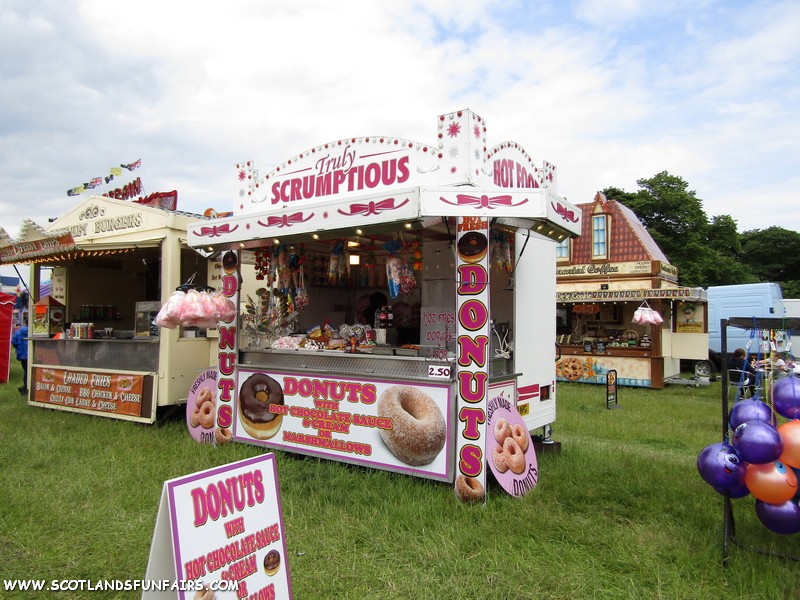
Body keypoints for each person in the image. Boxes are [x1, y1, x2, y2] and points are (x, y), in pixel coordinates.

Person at [11, 321, 29, 394]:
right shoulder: (34, 332)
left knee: (26, 371)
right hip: (31, 355)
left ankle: (24, 388)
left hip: (22, 355)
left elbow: (13, 342)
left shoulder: (18, 332)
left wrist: (19, 348)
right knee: (29, 372)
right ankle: (25, 388)